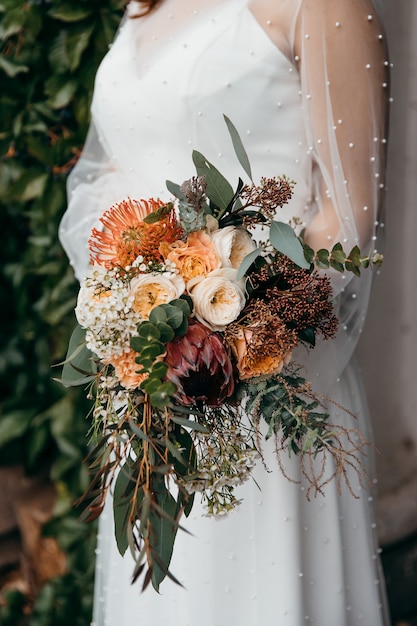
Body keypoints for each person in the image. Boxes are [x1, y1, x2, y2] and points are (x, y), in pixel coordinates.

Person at [59, 0, 390, 624]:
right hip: (157, 395)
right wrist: (131, 308)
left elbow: (346, 217)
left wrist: (232, 334)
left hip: (267, 395)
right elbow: (106, 170)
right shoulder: (142, 6)